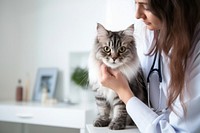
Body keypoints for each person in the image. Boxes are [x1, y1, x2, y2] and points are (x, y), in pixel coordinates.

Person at [99, 0, 200, 132]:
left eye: (146, 5)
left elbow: (178, 131)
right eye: (135, 3)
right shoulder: (151, 33)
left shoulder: (196, 49)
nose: (137, 14)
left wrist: (123, 92)